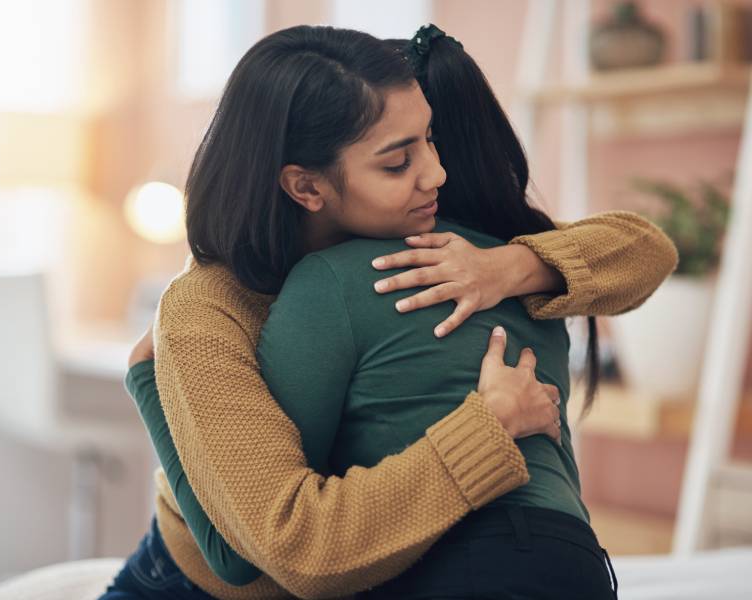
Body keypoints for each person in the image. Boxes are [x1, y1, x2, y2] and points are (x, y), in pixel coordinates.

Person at [103, 25, 676, 599]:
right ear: (306, 187)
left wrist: (509, 267)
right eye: (398, 162)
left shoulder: (432, 246)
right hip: (196, 583)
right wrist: (487, 427)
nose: (436, 174)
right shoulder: (207, 309)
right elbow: (275, 554)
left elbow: (645, 250)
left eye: (430, 140)